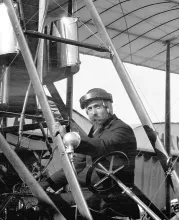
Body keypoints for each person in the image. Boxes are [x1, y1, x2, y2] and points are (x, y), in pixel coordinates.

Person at [40, 88, 140, 219]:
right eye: (89, 109)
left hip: (109, 196)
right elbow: (78, 162)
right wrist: (44, 184)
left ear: (108, 107)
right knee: (41, 199)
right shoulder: (96, 129)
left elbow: (100, 146)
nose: (93, 113)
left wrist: (69, 137)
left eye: (97, 107)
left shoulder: (121, 129)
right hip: (91, 192)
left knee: (49, 203)